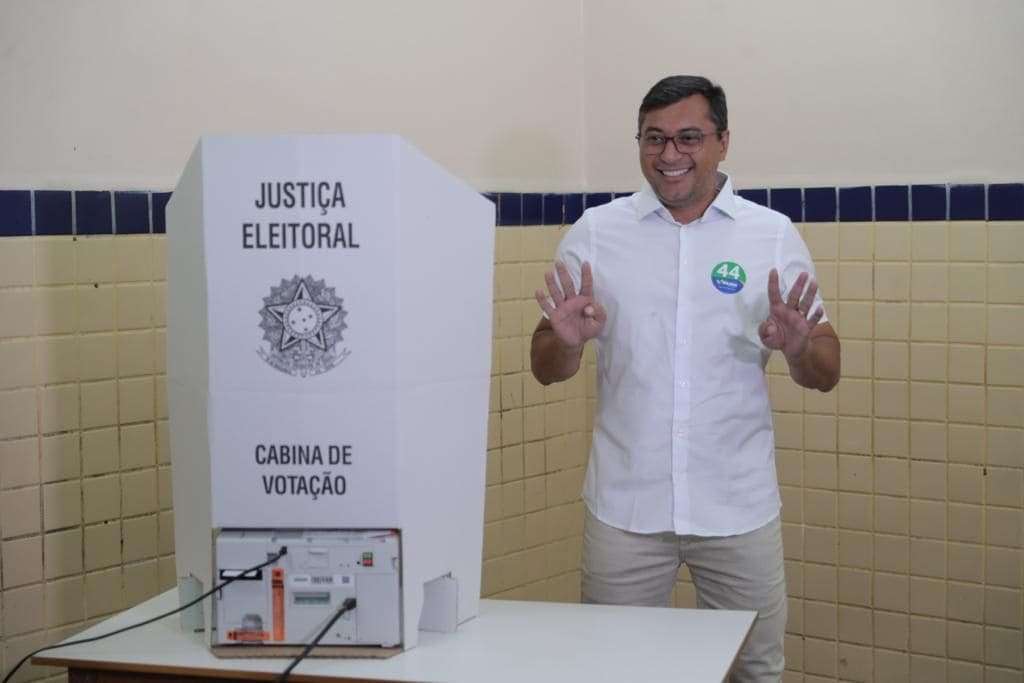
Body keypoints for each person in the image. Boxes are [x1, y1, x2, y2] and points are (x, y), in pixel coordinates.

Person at [530, 75, 840, 682]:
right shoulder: (597, 232)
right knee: (613, 673)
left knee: (755, 671)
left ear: (723, 142)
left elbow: (825, 370)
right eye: (655, 139)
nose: (670, 155)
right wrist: (565, 344)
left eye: (689, 137)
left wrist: (802, 348)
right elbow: (545, 363)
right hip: (625, 511)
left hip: (739, 508)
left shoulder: (770, 235)